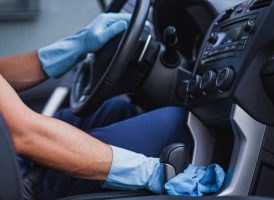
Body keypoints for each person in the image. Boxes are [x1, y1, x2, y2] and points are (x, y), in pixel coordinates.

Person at [0, 13, 225, 199]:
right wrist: (150, 172)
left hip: (9, 146)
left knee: (116, 109)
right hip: (16, 178)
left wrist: (75, 46)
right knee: (175, 125)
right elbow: (23, 135)